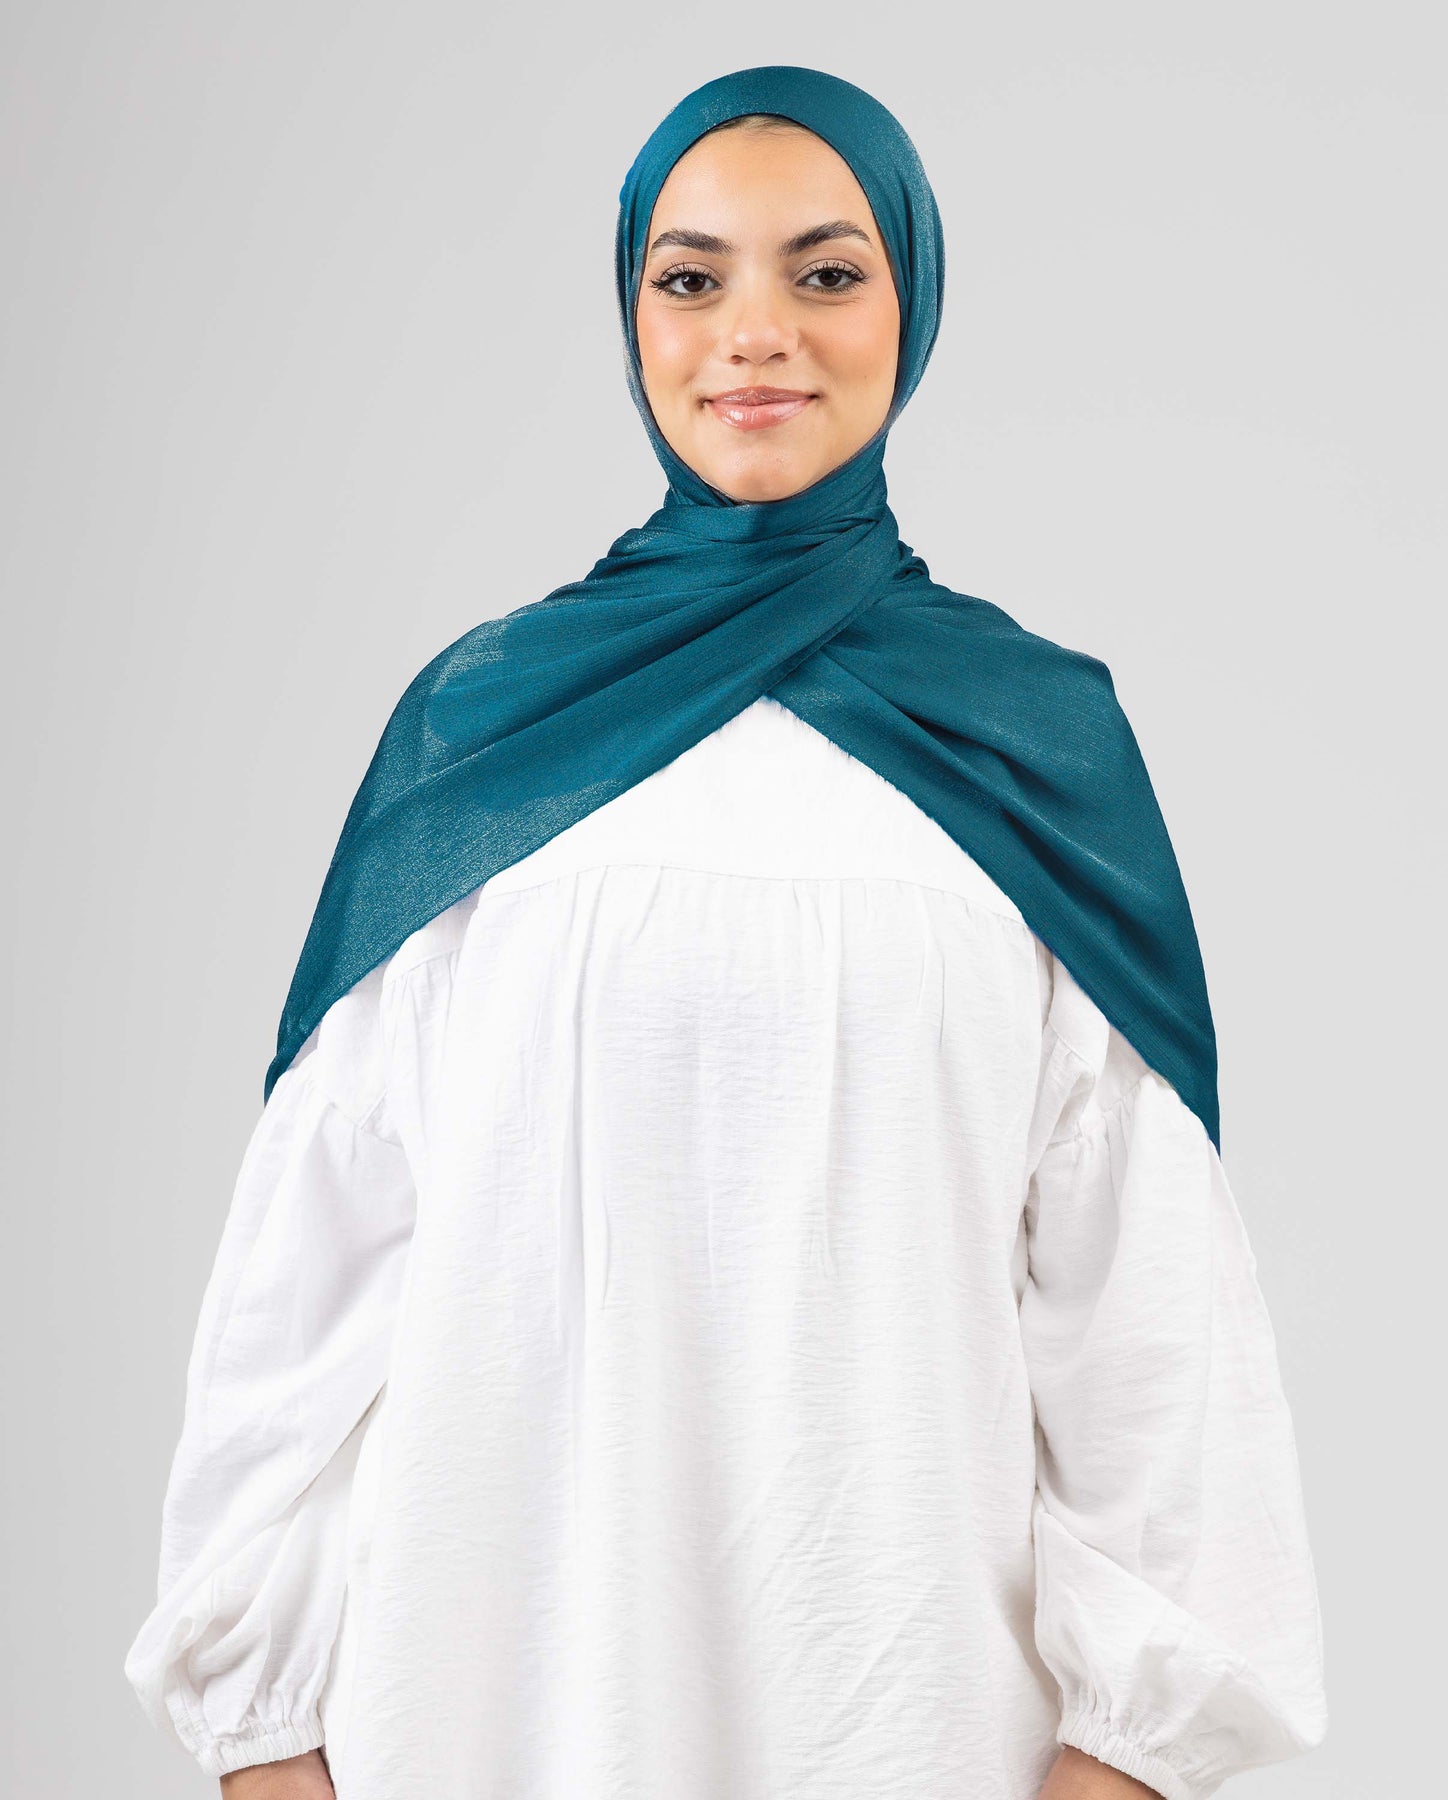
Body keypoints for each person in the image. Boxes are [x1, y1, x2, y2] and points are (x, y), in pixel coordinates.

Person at [123, 65, 1327, 1800]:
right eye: (690, 278)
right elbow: (307, 1282)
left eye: (826, 272)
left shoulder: (1037, 748)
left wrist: (1121, 1756)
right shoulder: (479, 734)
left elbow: (1151, 1326)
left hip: (908, 1724)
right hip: (489, 1717)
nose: (754, 332)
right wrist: (263, 1735)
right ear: (634, 317)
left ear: (912, 306)